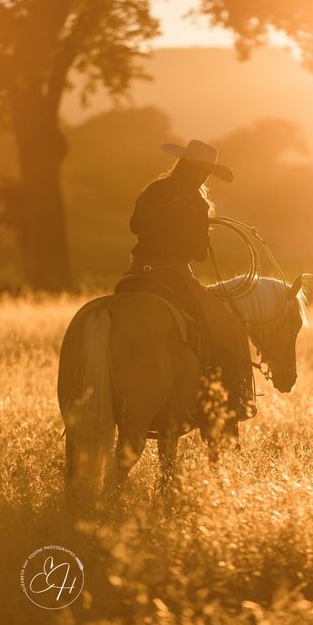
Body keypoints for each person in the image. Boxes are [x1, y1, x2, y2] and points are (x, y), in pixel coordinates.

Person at [115, 139, 255, 431]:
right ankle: (228, 407)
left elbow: (134, 225)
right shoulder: (197, 203)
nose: (204, 177)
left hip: (136, 273)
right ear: (192, 169)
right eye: (203, 171)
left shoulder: (153, 190)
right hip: (174, 277)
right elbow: (200, 255)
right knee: (227, 329)